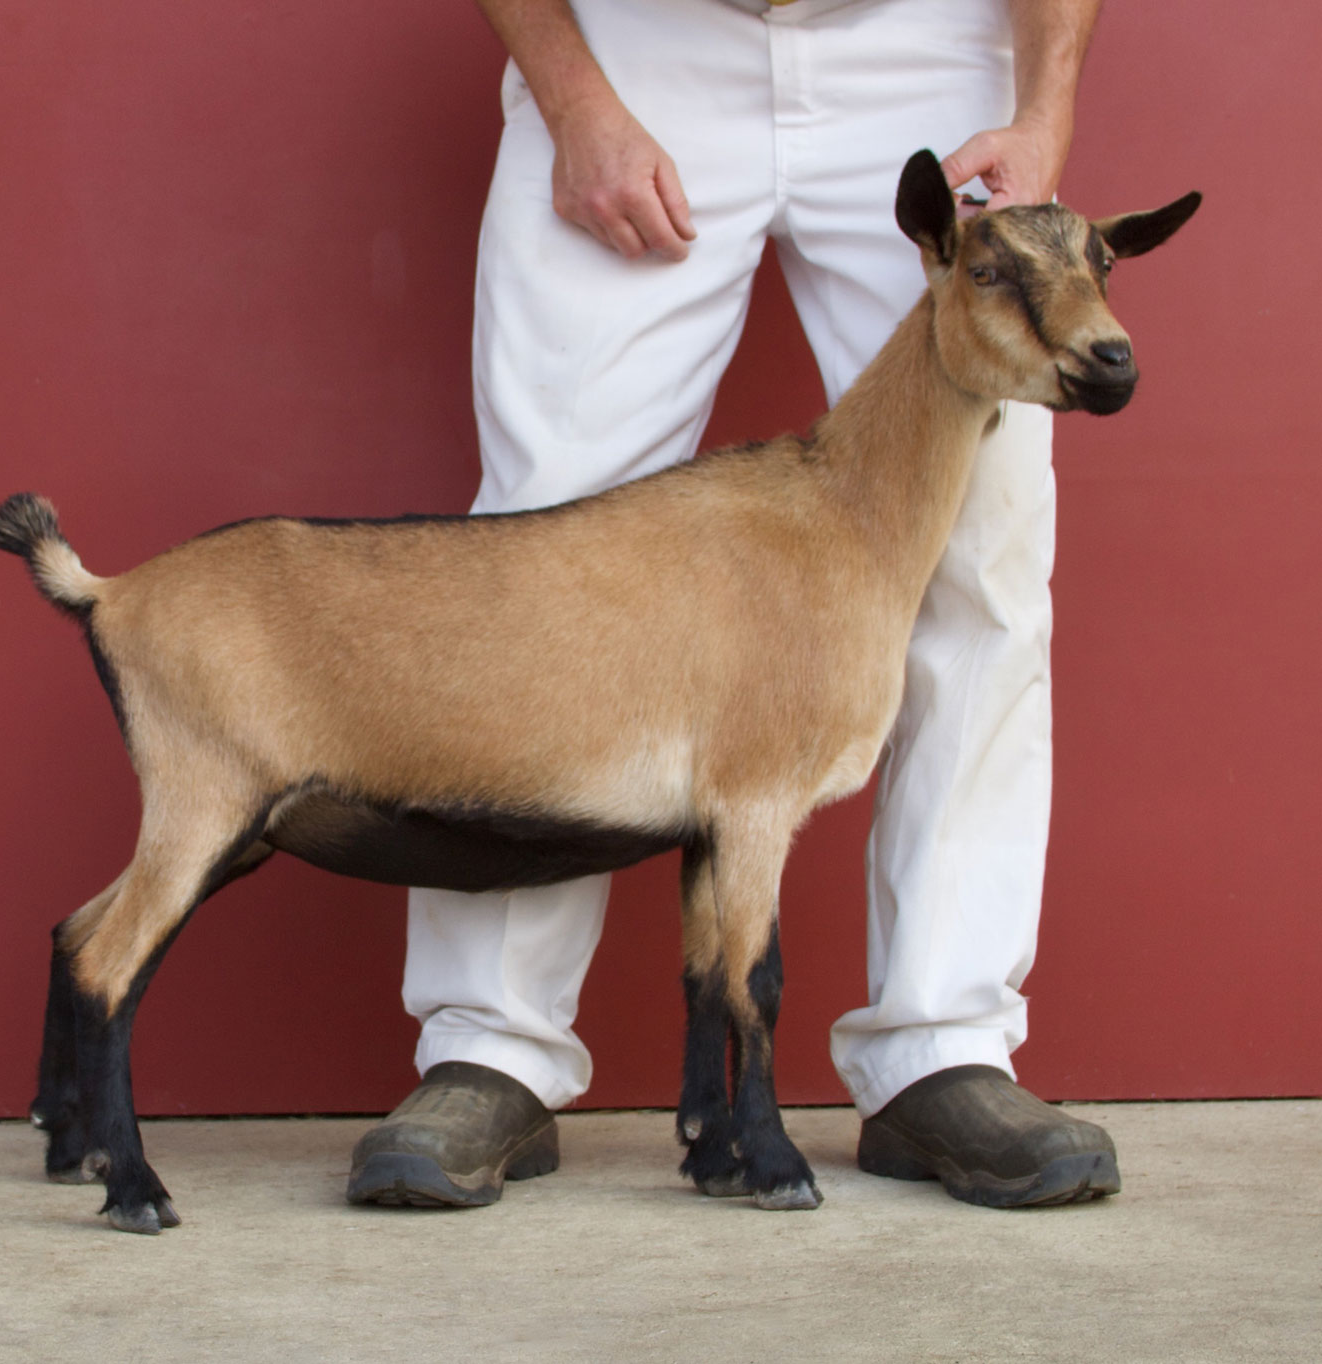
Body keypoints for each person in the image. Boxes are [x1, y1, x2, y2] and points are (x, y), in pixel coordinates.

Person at [347, 0, 1121, 1210]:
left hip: (921, 46)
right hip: (641, 45)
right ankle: (489, 1041)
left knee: (983, 547)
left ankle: (946, 1042)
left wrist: (1043, 104)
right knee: (545, 533)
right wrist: (572, 96)